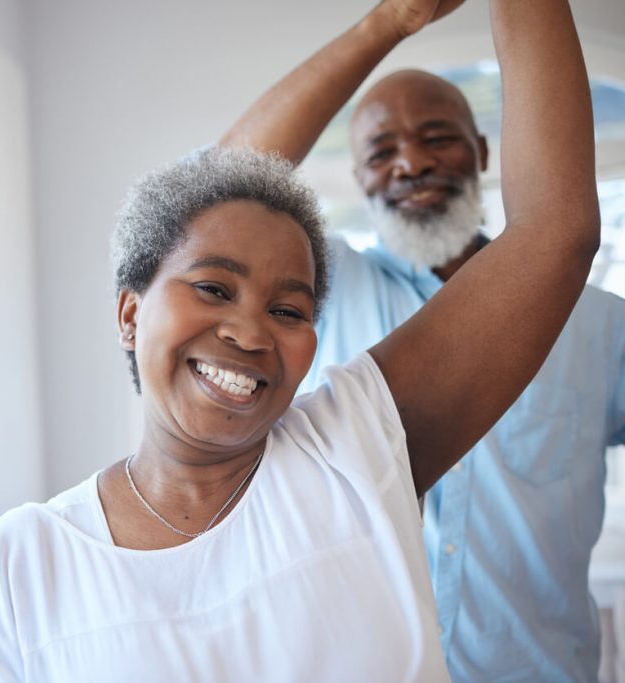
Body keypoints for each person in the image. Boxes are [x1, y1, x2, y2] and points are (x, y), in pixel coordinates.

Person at [0, 0, 598, 680]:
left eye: (288, 309)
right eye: (214, 288)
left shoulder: (354, 447)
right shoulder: (17, 570)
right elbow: (212, 190)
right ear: (129, 313)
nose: (250, 331)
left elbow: (553, 236)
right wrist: (386, 21)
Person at [220, 0, 625, 681]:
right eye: (381, 151)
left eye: (437, 136)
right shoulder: (323, 288)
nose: (410, 162)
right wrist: (389, 23)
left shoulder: (598, 324)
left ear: (483, 151)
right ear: (359, 180)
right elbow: (217, 195)